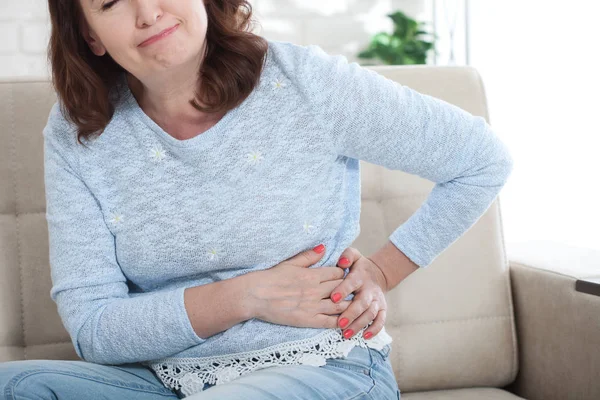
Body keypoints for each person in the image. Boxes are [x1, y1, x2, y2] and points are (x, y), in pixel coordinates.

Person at [0, 0, 514, 399]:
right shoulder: (76, 134)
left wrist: (381, 272)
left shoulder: (302, 82)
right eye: (110, 1)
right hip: (161, 383)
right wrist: (247, 296)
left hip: (322, 369)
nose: (147, 12)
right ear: (89, 34)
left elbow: (480, 159)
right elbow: (95, 330)